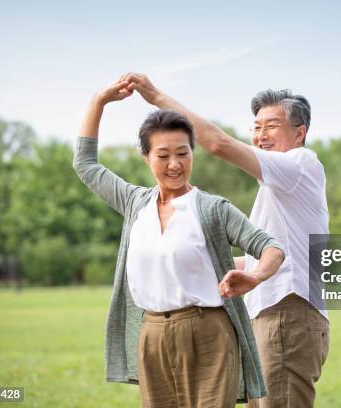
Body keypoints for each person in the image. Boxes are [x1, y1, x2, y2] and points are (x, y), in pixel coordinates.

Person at [72, 79, 285, 408]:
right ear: (146, 157)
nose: (174, 164)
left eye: (183, 153)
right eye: (163, 155)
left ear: (192, 154)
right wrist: (99, 100)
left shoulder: (213, 208)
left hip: (209, 333)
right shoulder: (134, 204)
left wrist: (254, 277)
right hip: (153, 334)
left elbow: (271, 248)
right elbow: (85, 164)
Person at [122, 73, 330, 408]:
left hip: (286, 313)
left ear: (299, 132)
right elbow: (262, 259)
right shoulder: (280, 190)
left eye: (272, 125)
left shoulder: (299, 164)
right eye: (257, 126)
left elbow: (219, 144)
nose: (261, 134)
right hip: (272, 314)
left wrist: (157, 97)